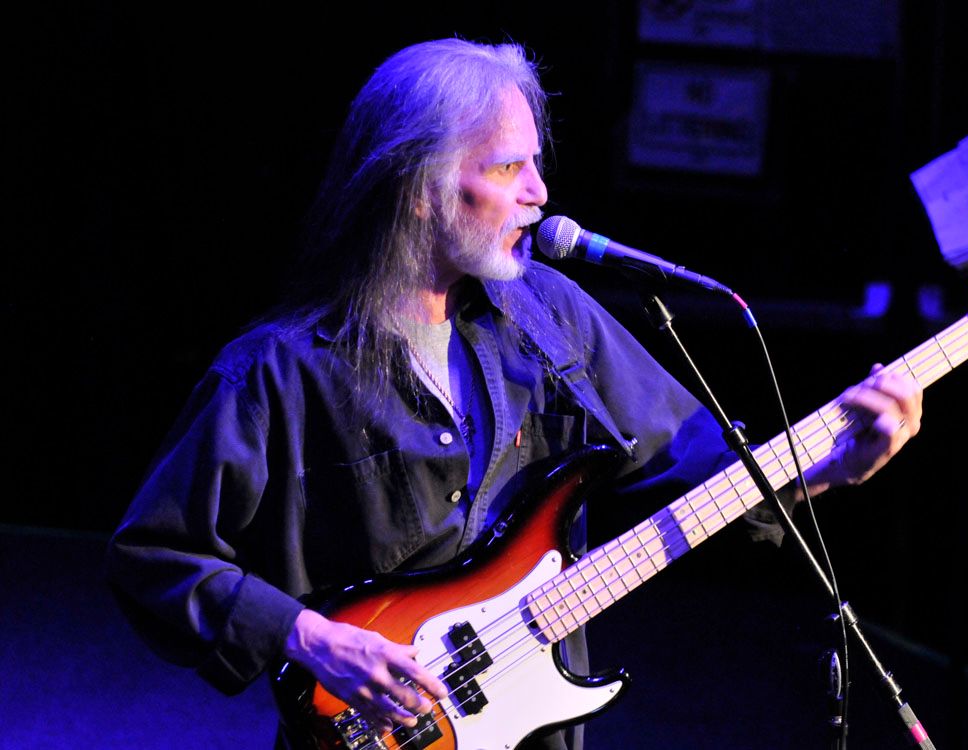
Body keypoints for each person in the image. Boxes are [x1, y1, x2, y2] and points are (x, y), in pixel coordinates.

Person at [106, 38, 923, 749]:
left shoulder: (551, 315)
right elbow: (154, 557)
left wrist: (831, 463)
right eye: (507, 167)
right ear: (418, 187)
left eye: (535, 162)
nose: (539, 192)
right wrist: (309, 638)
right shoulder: (277, 371)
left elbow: (700, 466)